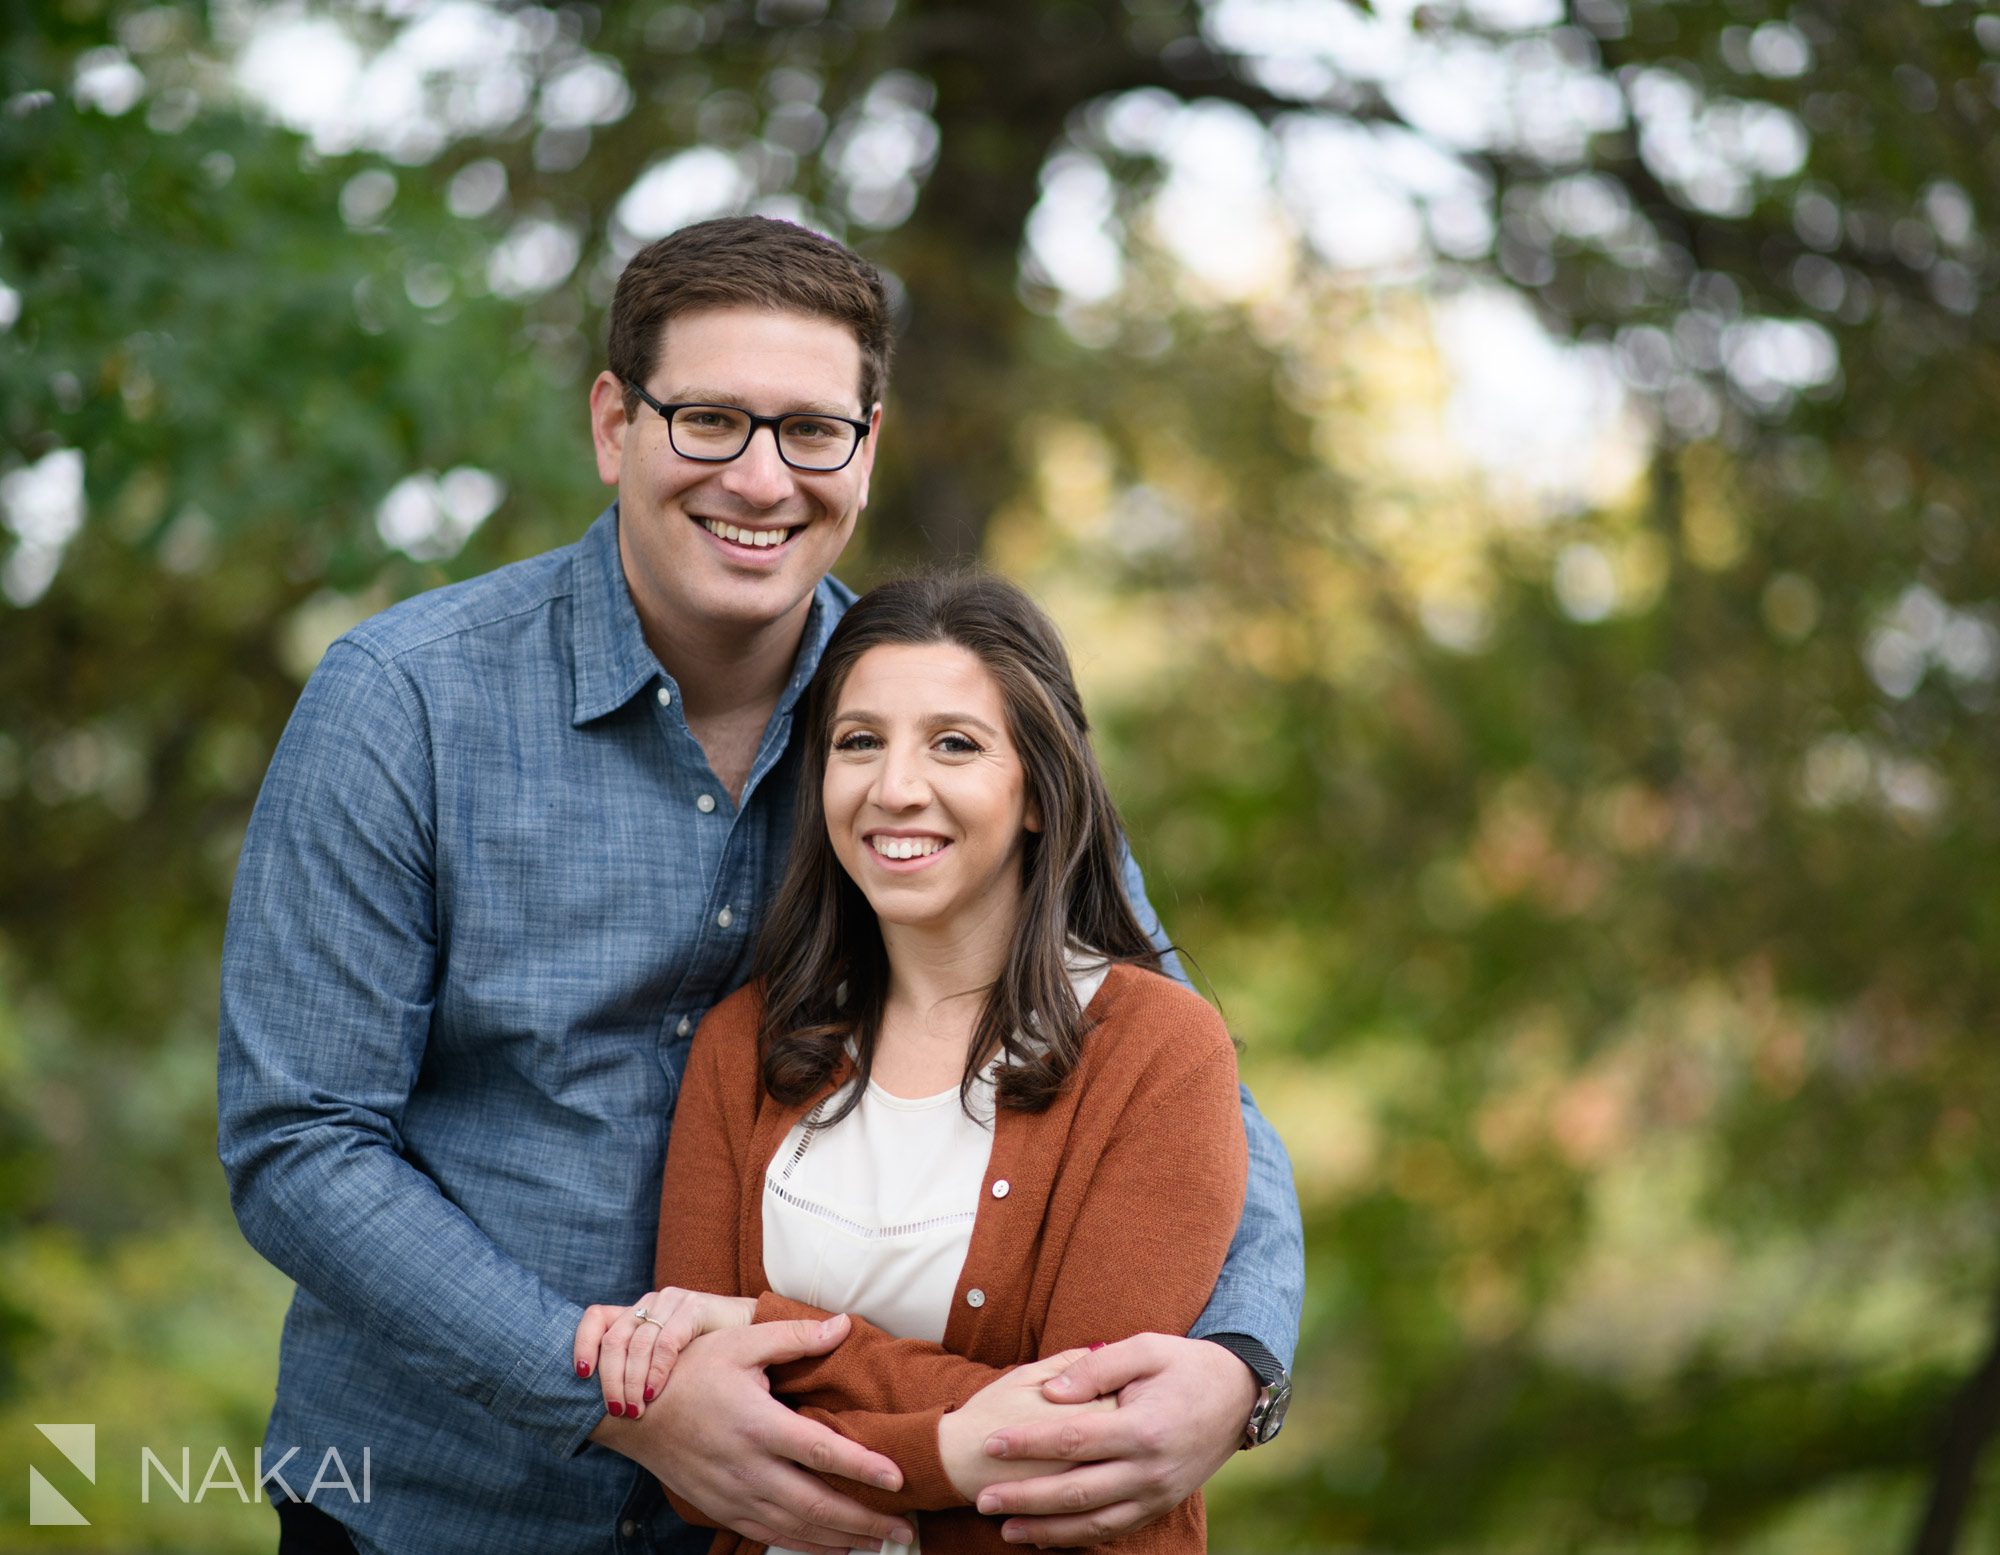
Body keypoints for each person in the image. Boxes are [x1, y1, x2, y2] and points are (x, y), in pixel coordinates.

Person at [218, 216, 1301, 1555]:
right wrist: (615, 1391)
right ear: (616, 425)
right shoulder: (404, 705)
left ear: (867, 444)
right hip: (435, 1501)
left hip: (818, 1518)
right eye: (711, 419)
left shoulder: (940, 719)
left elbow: (1182, 1073)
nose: (761, 476)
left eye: (810, 430)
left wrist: (1238, 1361)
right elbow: (303, 1141)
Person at [574, 571, 1250, 1555]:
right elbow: (699, 1463)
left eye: (954, 744)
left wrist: (753, 1324)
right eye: (859, 742)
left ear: (1034, 790)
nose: (894, 787)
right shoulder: (745, 1044)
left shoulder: (1154, 1049)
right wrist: (952, 1446)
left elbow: (1079, 1448)